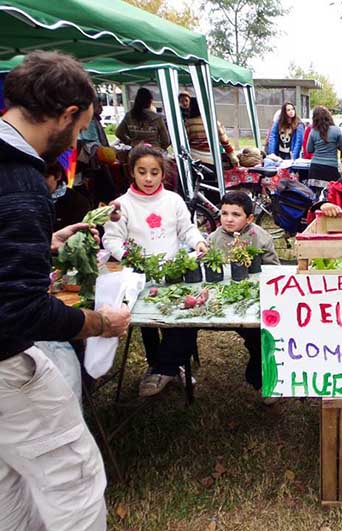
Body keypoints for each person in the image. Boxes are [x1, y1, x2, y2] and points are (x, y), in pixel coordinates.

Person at [0, 50, 131, 531]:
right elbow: (19, 311)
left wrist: (42, 243)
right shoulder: (18, 180)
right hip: (6, 366)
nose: (76, 142)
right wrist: (98, 323)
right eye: (78, 132)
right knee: (72, 477)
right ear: (67, 115)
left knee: (9, 482)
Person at [103, 143, 208, 397]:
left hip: (173, 273)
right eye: (142, 172)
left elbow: (187, 229)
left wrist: (198, 241)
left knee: (180, 320)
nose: (148, 178)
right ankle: (157, 366)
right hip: (138, 277)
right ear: (132, 173)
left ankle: (168, 368)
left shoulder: (173, 201)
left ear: (163, 174)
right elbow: (111, 239)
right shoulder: (121, 205)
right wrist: (130, 256)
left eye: (154, 172)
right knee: (149, 325)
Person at [207, 191, 279, 401]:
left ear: (249, 218)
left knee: (258, 335)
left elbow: (273, 270)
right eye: (224, 213)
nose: (228, 219)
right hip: (222, 298)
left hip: (253, 298)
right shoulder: (214, 238)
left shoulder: (260, 237)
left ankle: (263, 378)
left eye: (236, 214)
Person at [184, 98, 239, 167]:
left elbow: (184, 143)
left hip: (194, 161)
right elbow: (225, 142)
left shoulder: (188, 123)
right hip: (213, 160)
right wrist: (232, 156)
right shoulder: (214, 122)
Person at [305, 106, 342, 192]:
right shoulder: (336, 130)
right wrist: (334, 145)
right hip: (331, 167)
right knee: (331, 195)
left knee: (317, 195)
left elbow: (309, 149)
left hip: (315, 168)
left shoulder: (313, 132)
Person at [45, 161, 92, 230]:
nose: (38, 181)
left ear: (58, 176)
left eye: (45, 176)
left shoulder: (77, 202)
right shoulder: (28, 198)